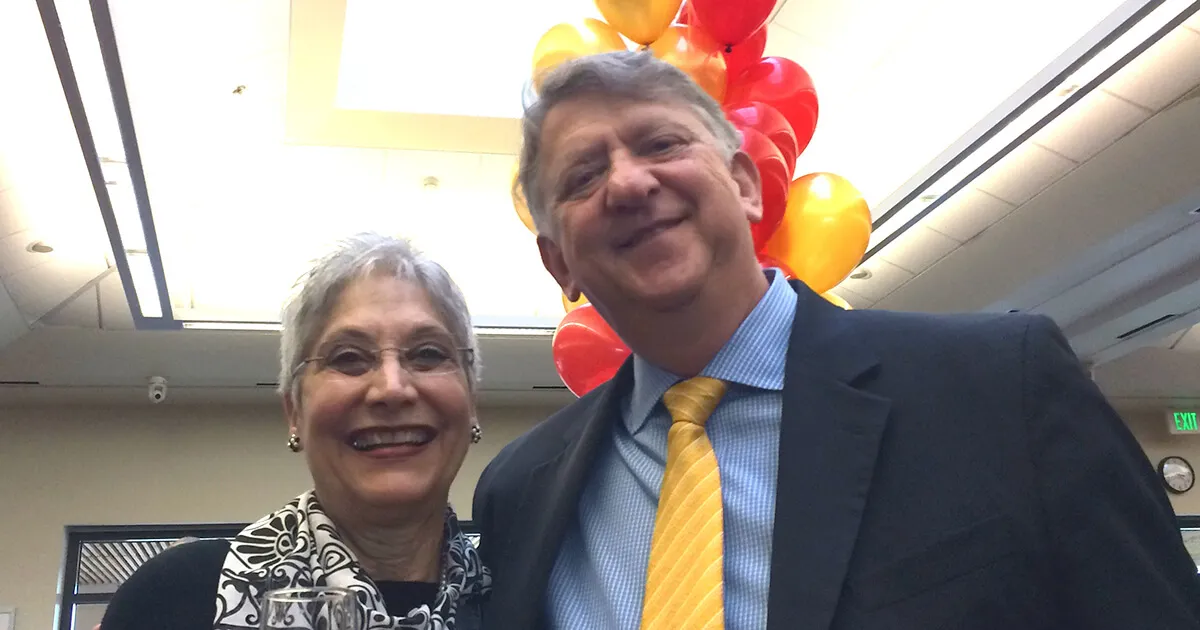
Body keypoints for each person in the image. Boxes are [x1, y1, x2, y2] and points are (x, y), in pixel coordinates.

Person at [472, 50, 1200, 630]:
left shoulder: (1003, 388)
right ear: (558, 262)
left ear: (747, 185)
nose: (628, 184)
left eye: (661, 143)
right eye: (584, 174)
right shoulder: (521, 494)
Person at [102, 234, 490, 629]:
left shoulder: (532, 600)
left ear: (471, 402)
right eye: (348, 357)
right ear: (294, 412)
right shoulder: (171, 598)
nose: (391, 388)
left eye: (428, 354)